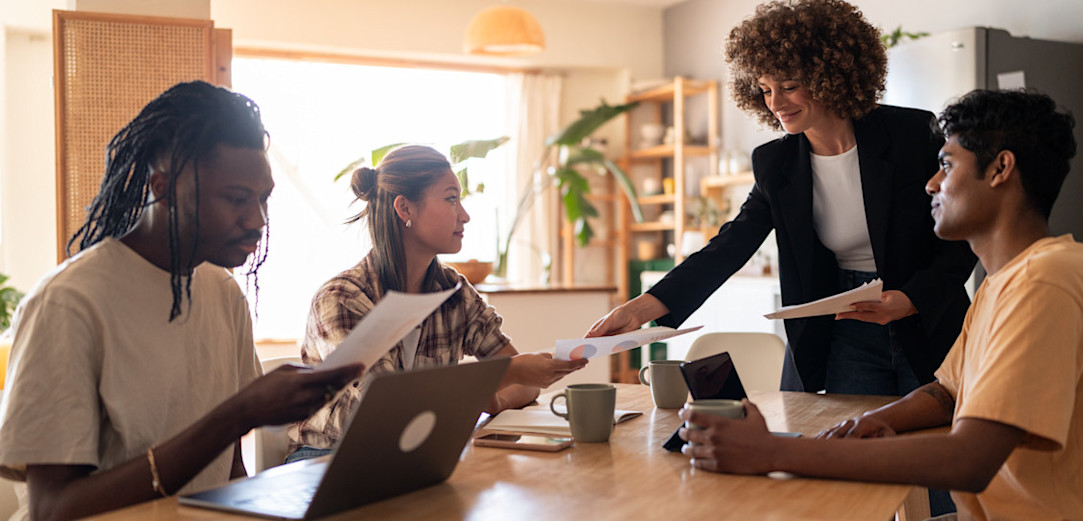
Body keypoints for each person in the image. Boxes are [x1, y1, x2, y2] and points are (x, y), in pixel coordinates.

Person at [680, 89, 1083, 520]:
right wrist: (874, 421)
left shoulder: (1045, 282)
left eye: (946, 165)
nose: (930, 183)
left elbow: (969, 460)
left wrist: (773, 452)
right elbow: (948, 393)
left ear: (1000, 169)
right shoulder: (1004, 283)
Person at [0, 81, 363, 521]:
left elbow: (229, 471)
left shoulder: (222, 292)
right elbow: (52, 509)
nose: (257, 219)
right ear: (163, 188)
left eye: (263, 198)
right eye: (236, 199)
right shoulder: (69, 304)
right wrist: (237, 415)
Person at [587, 0, 976, 398]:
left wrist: (913, 299)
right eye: (765, 90)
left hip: (928, 315)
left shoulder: (911, 134)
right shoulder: (776, 163)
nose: (775, 103)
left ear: (831, 76)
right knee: (855, 433)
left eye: (789, 87)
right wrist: (640, 308)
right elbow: (730, 244)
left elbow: (969, 227)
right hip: (843, 324)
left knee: (940, 429)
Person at [286, 145, 587, 462]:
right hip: (328, 457)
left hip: (415, 455)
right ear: (405, 209)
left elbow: (526, 385)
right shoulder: (342, 299)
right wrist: (505, 375)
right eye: (451, 198)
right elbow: (388, 409)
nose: (465, 215)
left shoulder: (453, 290)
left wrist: (496, 395)